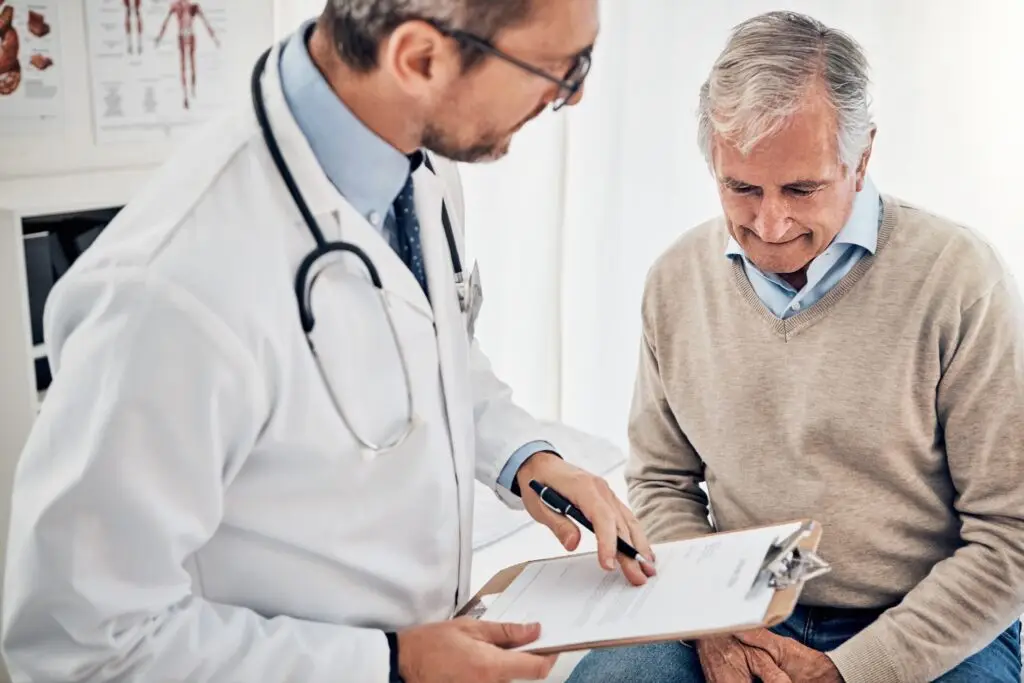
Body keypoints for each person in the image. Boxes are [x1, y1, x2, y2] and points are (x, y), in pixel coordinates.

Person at [1, 2, 657, 682]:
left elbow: (433, 352)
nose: (574, 94)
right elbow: (83, 644)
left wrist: (525, 458)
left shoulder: (416, 165)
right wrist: (389, 661)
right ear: (419, 59)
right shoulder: (170, 289)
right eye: (555, 68)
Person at [569, 10, 1024, 683]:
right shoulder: (676, 279)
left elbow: (1011, 534)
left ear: (861, 156)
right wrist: (713, 622)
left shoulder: (957, 278)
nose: (770, 223)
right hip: (733, 608)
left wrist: (849, 670)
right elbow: (663, 480)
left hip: (922, 618)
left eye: (802, 189)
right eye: (741, 188)